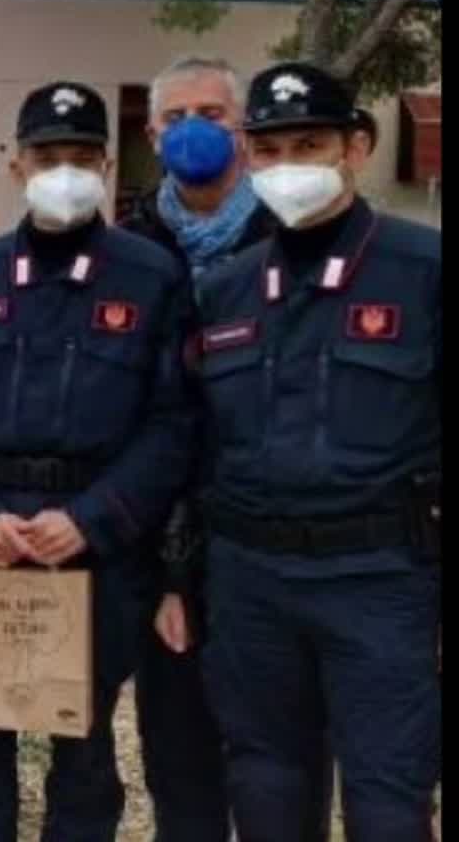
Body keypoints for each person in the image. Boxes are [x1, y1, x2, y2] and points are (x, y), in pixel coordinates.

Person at [0, 81, 193, 842]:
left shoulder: (152, 276)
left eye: (79, 156)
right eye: (45, 155)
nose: (61, 170)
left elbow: (175, 422)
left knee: (86, 749)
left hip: (96, 546)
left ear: (104, 165)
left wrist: (92, 521)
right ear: (16, 165)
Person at [188, 62, 440, 841]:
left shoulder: (423, 271)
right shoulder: (225, 288)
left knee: (389, 803)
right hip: (250, 582)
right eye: (268, 150)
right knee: (265, 792)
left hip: (379, 580)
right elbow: (195, 442)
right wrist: (177, 571)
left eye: (310, 143)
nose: (287, 165)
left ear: (355, 146)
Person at [116, 56, 331, 842]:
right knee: (179, 766)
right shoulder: (126, 249)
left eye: (213, 113)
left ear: (243, 131)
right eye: (177, 118)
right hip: (161, 540)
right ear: (151, 132)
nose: (194, 131)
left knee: (286, 766)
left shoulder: (300, 232)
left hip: (277, 543)